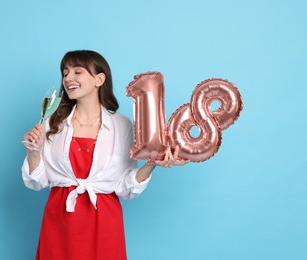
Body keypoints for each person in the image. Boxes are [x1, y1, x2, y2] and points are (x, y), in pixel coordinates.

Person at [22, 50, 188, 260]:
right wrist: (33, 153)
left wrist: (151, 164)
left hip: (104, 221)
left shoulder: (122, 125)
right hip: (59, 220)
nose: (68, 79)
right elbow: (36, 183)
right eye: (65, 73)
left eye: (77, 72)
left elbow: (125, 187)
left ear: (99, 79)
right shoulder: (51, 122)